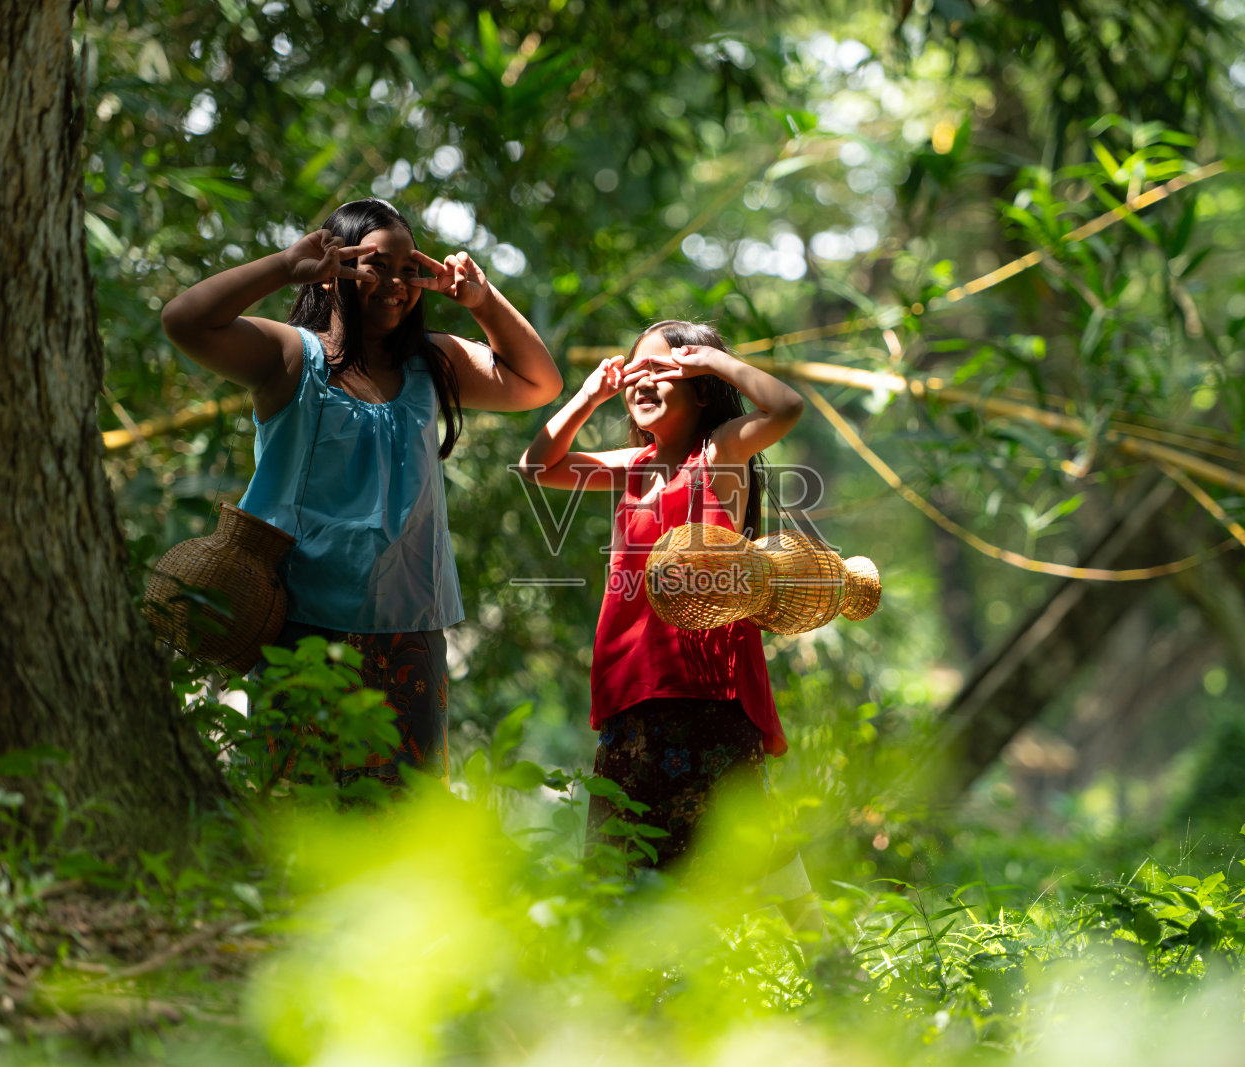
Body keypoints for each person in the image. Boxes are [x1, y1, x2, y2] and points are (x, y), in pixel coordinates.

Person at [161, 198, 561, 784]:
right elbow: (183, 321)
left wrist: (481, 300)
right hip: (301, 625)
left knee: (405, 816)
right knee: (300, 806)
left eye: (408, 268)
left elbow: (538, 382)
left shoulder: (434, 361)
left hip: (410, 627)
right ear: (335, 267)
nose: (396, 282)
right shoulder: (291, 355)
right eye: (376, 264)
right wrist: (284, 266)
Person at [517, 320, 804, 869]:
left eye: (660, 370)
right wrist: (587, 395)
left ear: (698, 386)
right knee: (622, 870)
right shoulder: (634, 466)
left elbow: (785, 408)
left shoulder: (720, 454)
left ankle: (815, 948)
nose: (640, 382)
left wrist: (715, 361)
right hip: (631, 689)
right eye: (634, 371)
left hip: (706, 693)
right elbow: (537, 467)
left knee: (727, 865)